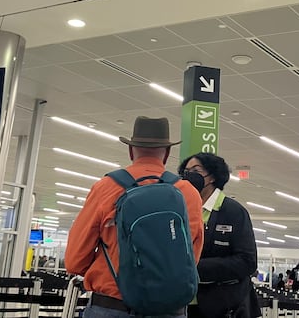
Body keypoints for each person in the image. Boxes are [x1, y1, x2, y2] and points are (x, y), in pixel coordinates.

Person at [65, 116, 204, 318]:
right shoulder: (188, 193)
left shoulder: (106, 188)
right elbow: (191, 256)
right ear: (167, 153)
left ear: (131, 151)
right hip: (169, 309)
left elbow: (74, 261)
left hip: (111, 307)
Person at [179, 152, 259, 318]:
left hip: (225, 305)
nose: (189, 176)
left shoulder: (233, 212)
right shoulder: (181, 208)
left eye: (196, 170)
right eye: (185, 172)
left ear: (213, 176)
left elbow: (247, 261)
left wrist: (195, 268)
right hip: (185, 304)